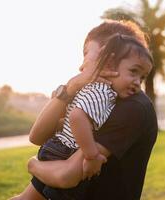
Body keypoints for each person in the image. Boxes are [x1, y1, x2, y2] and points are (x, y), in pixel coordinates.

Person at [10, 20, 155, 200]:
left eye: (87, 54)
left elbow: (66, 175)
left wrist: (33, 164)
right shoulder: (93, 96)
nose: (80, 66)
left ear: (108, 58)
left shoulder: (132, 107)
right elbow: (36, 137)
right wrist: (71, 87)